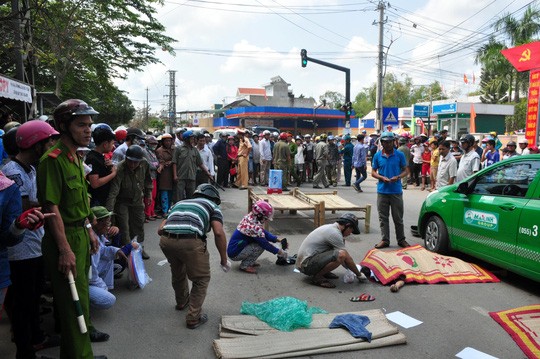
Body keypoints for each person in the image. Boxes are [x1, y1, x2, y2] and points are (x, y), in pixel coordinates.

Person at [36, 99, 107, 359]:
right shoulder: (52, 160)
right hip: (62, 237)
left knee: (82, 302)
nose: (88, 130)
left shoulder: (75, 157)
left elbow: (80, 204)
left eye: (89, 125)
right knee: (72, 306)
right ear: (63, 126)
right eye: (81, 125)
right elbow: (52, 208)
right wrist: (65, 249)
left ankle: (79, 353)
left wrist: (89, 230)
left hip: (79, 234)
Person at [2, 120, 59, 358]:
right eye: (48, 142)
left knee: (33, 296)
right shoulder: (12, 171)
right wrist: (53, 203)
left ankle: (36, 338)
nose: (51, 146)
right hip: (19, 249)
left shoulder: (31, 169)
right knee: (23, 302)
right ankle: (25, 351)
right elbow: (24, 206)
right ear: (36, 144)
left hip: (34, 244)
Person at [157, 184, 229, 329]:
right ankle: (193, 317)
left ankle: (182, 301)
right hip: (190, 240)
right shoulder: (213, 206)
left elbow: (160, 229)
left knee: (178, 271)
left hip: (166, 240)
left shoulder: (179, 203)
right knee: (201, 279)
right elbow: (219, 233)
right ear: (214, 198)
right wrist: (223, 259)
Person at [106, 145, 152, 259]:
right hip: (122, 202)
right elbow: (113, 191)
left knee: (138, 226)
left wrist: (149, 194)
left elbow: (147, 180)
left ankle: (140, 248)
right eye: (129, 161)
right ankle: (128, 253)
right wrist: (109, 213)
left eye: (135, 162)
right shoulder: (120, 168)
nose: (132, 165)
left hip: (137, 201)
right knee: (124, 228)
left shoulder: (144, 164)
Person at [296, 213, 364, 289]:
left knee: (340, 252)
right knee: (341, 254)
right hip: (306, 265)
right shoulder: (334, 233)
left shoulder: (332, 228)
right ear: (347, 226)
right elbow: (345, 257)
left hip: (307, 261)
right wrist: (359, 274)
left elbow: (345, 261)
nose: (350, 233)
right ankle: (317, 277)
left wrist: (351, 269)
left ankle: (323, 272)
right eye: (351, 230)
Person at [88, 206, 136, 310]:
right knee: (109, 299)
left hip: (91, 277)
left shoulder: (98, 235)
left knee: (111, 255)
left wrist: (117, 250)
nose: (109, 225)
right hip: (86, 281)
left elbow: (104, 250)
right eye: (108, 222)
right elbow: (91, 276)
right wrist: (103, 288)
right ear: (98, 223)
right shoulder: (92, 242)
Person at [371, 131, 409, 249]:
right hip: (382, 191)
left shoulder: (399, 155)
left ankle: (401, 239)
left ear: (394, 142)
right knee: (383, 218)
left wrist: (398, 177)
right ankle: (385, 240)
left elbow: (406, 170)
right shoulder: (377, 156)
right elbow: (373, 172)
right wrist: (381, 177)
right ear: (381, 143)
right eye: (385, 142)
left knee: (398, 218)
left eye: (390, 142)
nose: (387, 144)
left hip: (396, 191)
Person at [227, 201, 287, 273]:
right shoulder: (254, 227)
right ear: (260, 216)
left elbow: (263, 233)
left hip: (237, 248)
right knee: (260, 246)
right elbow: (265, 244)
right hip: (235, 253)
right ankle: (245, 265)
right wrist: (279, 252)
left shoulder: (251, 218)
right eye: (266, 218)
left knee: (259, 243)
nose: (267, 219)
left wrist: (278, 240)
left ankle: (250, 261)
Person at [173, 130, 212, 199]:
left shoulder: (194, 150)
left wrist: (208, 173)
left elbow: (200, 163)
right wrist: (175, 175)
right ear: (186, 139)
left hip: (191, 177)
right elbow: (174, 163)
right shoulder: (178, 149)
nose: (193, 140)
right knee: (179, 196)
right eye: (191, 138)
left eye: (193, 138)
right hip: (181, 177)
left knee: (191, 197)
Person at [86, 124, 117, 207]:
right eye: (112, 143)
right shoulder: (93, 158)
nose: (113, 146)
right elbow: (94, 183)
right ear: (105, 144)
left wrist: (111, 167)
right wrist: (113, 174)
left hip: (103, 198)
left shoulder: (101, 156)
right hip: (96, 201)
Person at [155, 133, 175, 216]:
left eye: (169, 141)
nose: (168, 143)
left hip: (173, 173)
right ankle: (165, 210)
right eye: (166, 141)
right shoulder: (159, 150)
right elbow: (161, 162)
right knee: (164, 192)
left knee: (171, 193)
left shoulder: (174, 149)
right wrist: (170, 162)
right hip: (164, 174)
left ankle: (169, 208)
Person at [143, 135, 159, 221]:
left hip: (154, 176)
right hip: (149, 176)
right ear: (147, 143)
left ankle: (152, 212)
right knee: (149, 195)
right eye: (152, 143)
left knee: (154, 195)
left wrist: (156, 165)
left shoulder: (153, 152)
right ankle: (147, 213)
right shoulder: (145, 152)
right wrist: (156, 165)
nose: (154, 145)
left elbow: (157, 163)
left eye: (155, 143)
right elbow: (150, 165)